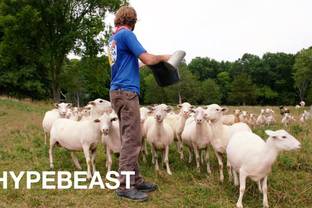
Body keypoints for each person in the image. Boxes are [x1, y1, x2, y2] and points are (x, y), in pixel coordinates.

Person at [108, 5, 171, 201]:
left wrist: (146, 65)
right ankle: (125, 186)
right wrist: (164, 58)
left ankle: (135, 180)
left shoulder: (113, 39)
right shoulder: (127, 35)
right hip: (127, 93)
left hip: (117, 91)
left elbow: (132, 63)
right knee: (133, 139)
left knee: (130, 135)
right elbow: (147, 57)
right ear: (133, 22)